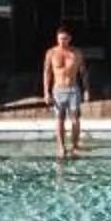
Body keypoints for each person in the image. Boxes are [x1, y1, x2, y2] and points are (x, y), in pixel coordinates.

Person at [43, 22, 88, 160]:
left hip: (73, 89)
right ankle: (61, 147)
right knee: (59, 120)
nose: (62, 42)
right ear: (57, 38)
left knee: (75, 120)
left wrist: (86, 90)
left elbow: (83, 73)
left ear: (70, 39)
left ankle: (74, 145)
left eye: (65, 39)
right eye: (60, 39)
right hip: (58, 90)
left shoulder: (76, 53)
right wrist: (46, 92)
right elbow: (47, 73)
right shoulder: (51, 53)